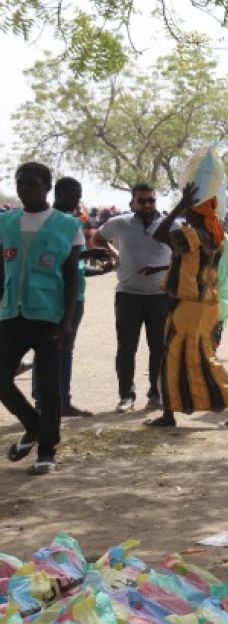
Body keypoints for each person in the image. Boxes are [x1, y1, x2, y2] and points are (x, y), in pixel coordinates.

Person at [141, 183, 228, 428]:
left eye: (189, 210)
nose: (185, 215)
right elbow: (188, 264)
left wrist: (179, 204)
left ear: (195, 212)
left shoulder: (192, 235)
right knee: (200, 354)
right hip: (207, 303)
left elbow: (159, 235)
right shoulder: (217, 237)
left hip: (189, 304)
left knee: (173, 354)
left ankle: (171, 413)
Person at [1, 163, 84, 475]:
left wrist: (67, 321)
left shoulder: (67, 225)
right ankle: (32, 425)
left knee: (50, 389)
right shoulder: (5, 223)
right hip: (11, 314)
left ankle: (47, 451)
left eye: (31, 184)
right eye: (20, 183)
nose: (24, 189)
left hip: (49, 316)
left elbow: (72, 279)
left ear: (47, 187)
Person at [32, 177, 111, 418]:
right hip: (57, 297)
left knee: (62, 349)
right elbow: (50, 259)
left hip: (75, 294)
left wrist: (93, 266)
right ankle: (51, 401)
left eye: (79, 193)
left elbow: (71, 266)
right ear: (60, 193)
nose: (78, 198)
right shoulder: (54, 222)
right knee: (53, 348)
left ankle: (55, 399)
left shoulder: (72, 222)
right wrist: (86, 253)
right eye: (74, 193)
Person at [96, 183, 172, 413]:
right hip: (128, 295)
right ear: (133, 203)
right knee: (126, 347)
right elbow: (97, 239)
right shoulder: (120, 223)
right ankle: (126, 396)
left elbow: (183, 254)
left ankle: (155, 393)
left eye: (151, 200)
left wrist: (163, 268)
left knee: (158, 348)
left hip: (160, 296)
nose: (147, 204)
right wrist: (115, 253)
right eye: (142, 200)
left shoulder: (169, 224)